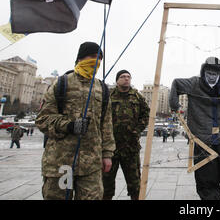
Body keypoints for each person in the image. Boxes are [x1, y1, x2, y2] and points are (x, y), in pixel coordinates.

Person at [36, 42, 115, 200]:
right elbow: (43, 119)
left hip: (91, 164)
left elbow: (106, 125)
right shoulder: (62, 83)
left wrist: (107, 154)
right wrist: (69, 126)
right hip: (61, 163)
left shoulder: (102, 88)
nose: (97, 61)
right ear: (80, 58)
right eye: (93, 57)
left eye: (100, 58)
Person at [169, 57, 220, 200]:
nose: (212, 76)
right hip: (201, 139)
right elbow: (176, 83)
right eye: (209, 73)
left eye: (216, 73)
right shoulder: (194, 83)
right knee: (206, 178)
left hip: (219, 138)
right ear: (204, 72)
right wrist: (175, 105)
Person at [102, 70, 149, 200]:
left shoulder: (137, 97)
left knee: (135, 185)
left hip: (130, 147)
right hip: (111, 148)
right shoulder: (108, 95)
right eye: (123, 77)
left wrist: (137, 130)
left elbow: (146, 115)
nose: (126, 79)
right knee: (106, 184)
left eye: (128, 77)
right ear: (117, 80)